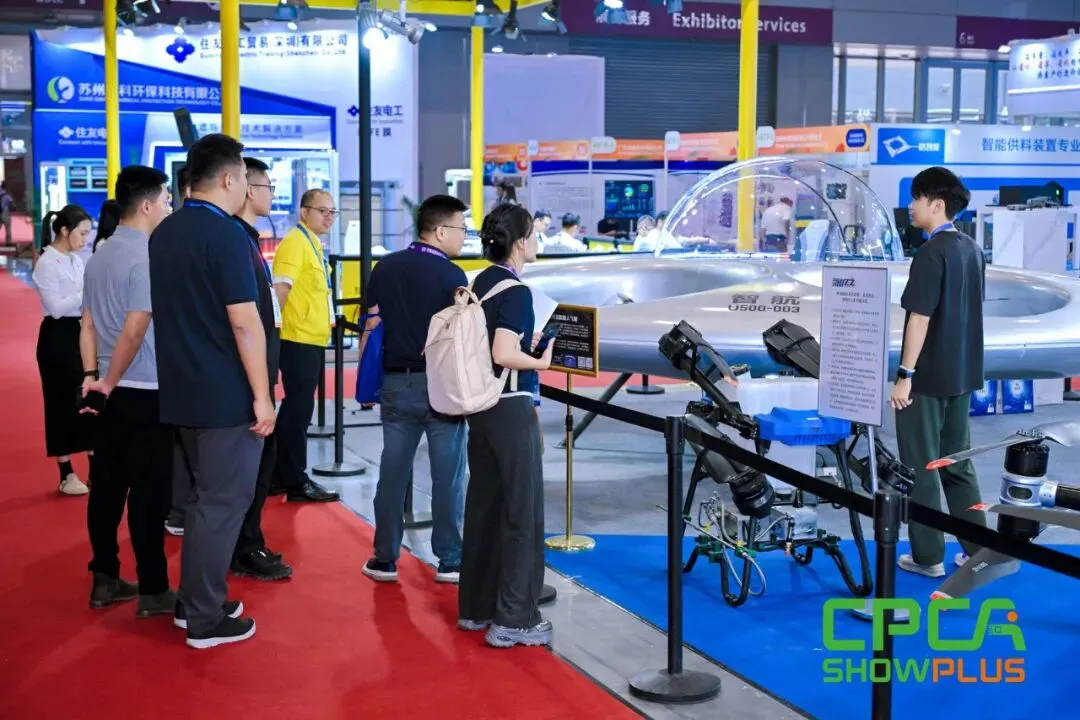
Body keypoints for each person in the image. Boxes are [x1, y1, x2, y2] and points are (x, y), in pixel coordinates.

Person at [149, 133, 274, 649]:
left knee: (205, 501)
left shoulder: (166, 230)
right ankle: (203, 617)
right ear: (228, 178)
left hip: (183, 387)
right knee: (222, 504)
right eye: (245, 177)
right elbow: (244, 322)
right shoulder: (225, 235)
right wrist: (263, 395)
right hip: (225, 394)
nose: (247, 186)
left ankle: (193, 601)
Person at [458, 202, 554, 649]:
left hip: (480, 408)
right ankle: (515, 618)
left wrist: (519, 343)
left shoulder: (480, 282)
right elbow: (502, 352)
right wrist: (541, 360)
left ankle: (476, 608)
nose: (536, 242)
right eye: (532, 234)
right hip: (510, 407)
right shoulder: (516, 291)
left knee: (484, 507)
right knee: (521, 512)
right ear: (519, 242)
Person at [360, 194, 470, 584]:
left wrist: (366, 381)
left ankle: (385, 558)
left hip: (395, 382)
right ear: (440, 231)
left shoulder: (385, 267)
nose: (464, 236)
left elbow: (370, 326)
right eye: (461, 228)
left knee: (392, 473)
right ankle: (450, 560)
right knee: (448, 477)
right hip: (442, 387)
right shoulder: (452, 276)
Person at [79, 165, 174, 614]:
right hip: (143, 389)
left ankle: (105, 578)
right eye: (167, 200)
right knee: (149, 493)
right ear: (147, 205)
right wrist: (112, 380)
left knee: (107, 488)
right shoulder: (145, 258)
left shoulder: (99, 254)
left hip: (106, 391)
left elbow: (87, 324)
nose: (169, 207)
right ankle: (154, 590)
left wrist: (93, 378)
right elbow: (135, 329)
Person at [889, 166, 987, 578]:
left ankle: (928, 556)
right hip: (961, 375)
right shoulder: (971, 249)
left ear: (936, 204)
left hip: (926, 380)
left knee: (921, 466)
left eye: (916, 198)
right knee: (957, 463)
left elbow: (920, 318)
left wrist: (904, 375)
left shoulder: (931, 254)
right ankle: (980, 551)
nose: (910, 206)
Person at [229, 157, 292, 581]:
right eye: (268, 186)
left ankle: (248, 541)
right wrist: (260, 391)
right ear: (249, 189)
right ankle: (245, 546)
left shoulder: (248, 238)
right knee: (250, 468)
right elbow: (243, 320)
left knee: (260, 465)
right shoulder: (236, 240)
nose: (272, 194)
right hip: (249, 380)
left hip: (262, 371)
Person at [268, 189, 340, 503]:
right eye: (322, 210)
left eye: (332, 212)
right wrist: (271, 335)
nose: (329, 217)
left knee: (296, 410)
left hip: (309, 337)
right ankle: (294, 480)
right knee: (297, 412)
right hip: (296, 338)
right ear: (304, 212)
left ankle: (280, 475)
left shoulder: (311, 243)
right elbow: (281, 291)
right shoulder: (296, 243)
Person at [33, 204, 94, 496]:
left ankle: (96, 466)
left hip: (82, 332)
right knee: (60, 402)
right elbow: (56, 308)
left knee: (89, 396)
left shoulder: (76, 260)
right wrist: (85, 293)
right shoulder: (47, 262)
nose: (85, 240)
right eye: (81, 233)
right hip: (57, 337)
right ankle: (66, 472)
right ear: (64, 230)